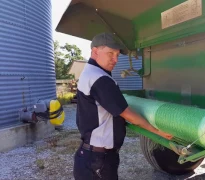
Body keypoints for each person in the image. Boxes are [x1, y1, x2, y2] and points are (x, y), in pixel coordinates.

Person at [73, 32, 173, 180]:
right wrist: (156, 131)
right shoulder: (100, 78)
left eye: (118, 55)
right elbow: (126, 113)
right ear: (95, 51)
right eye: (110, 53)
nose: (115, 59)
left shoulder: (89, 73)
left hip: (91, 157)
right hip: (98, 160)